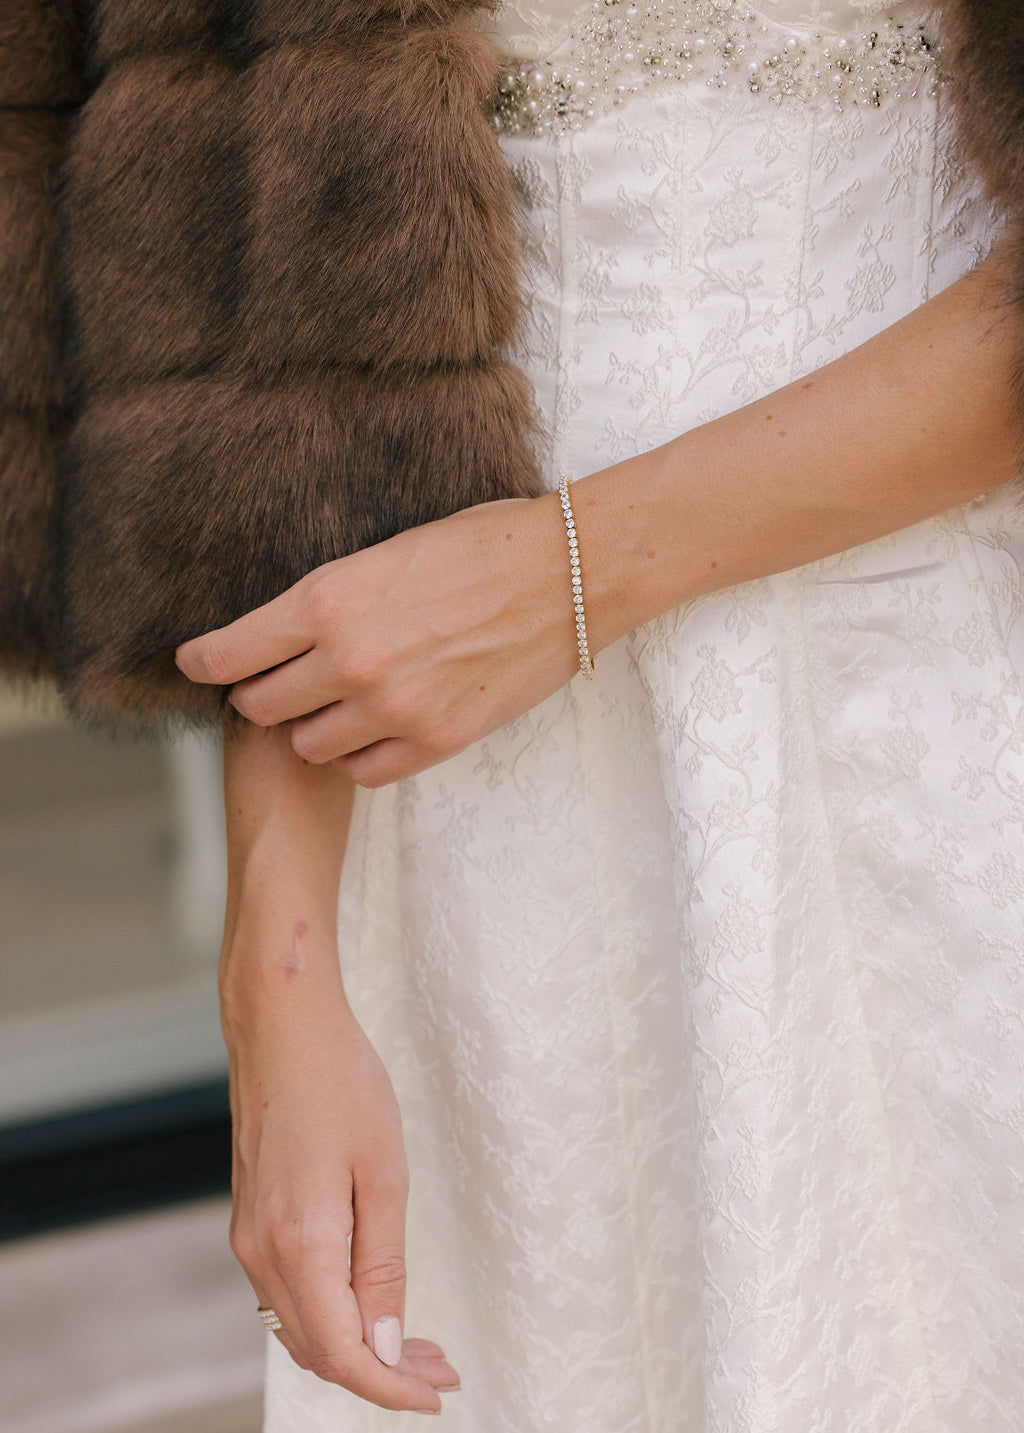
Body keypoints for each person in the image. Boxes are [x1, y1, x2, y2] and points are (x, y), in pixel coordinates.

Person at [4, 0, 1024, 1428]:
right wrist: (279, 977)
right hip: (472, 814)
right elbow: (261, 380)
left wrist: (570, 575)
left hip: (939, 740)